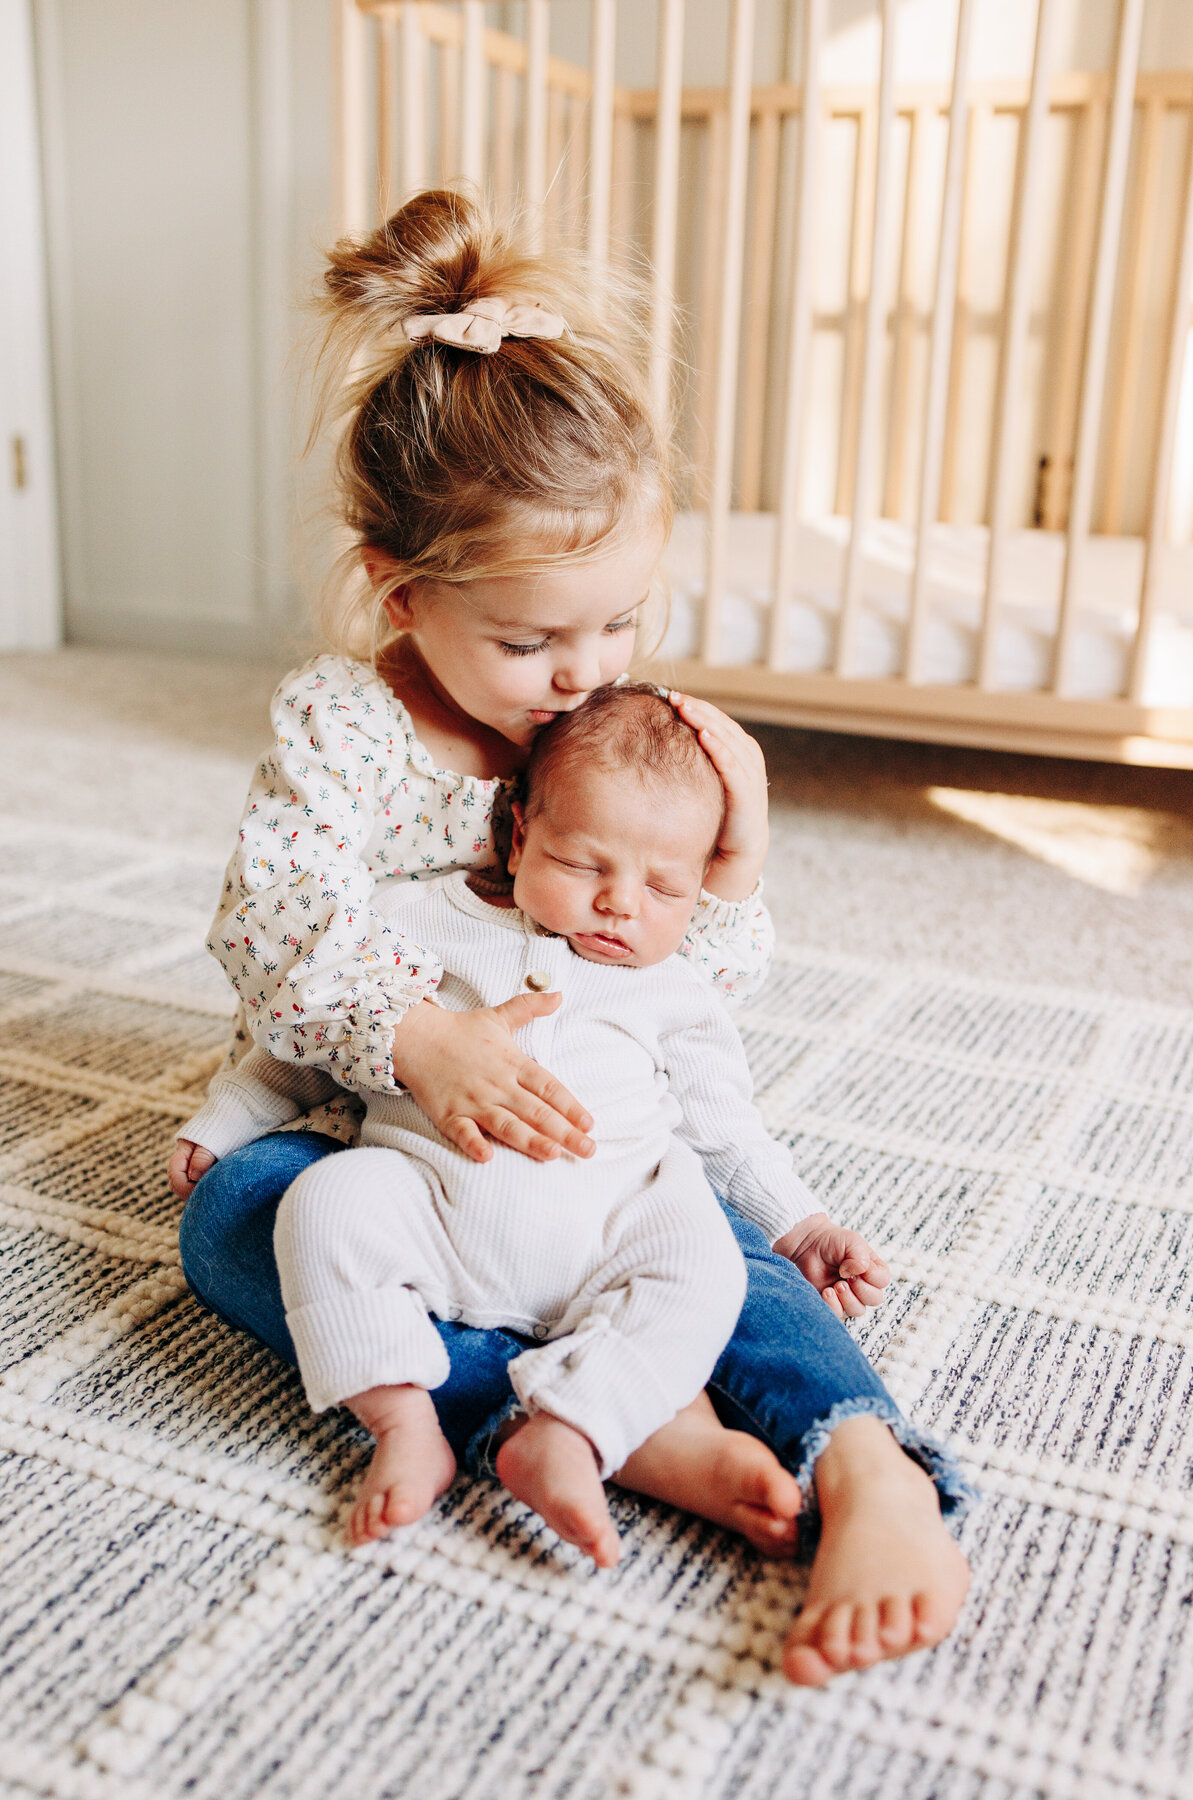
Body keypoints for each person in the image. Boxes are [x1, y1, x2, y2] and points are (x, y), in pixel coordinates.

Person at [173, 188, 971, 1686]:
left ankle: (869, 1465)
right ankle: (606, 1421)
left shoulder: (612, 725)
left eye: (619, 625)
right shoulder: (345, 727)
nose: (581, 677)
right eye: (533, 642)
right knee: (240, 1226)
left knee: (712, 1245)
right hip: (375, 1127)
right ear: (403, 594)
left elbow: (684, 992)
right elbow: (268, 922)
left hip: (586, 1145)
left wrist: (730, 865)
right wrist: (418, 1040)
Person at [177, 687, 897, 1571]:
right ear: (518, 837)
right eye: (583, 863)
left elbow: (725, 1130)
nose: (619, 905)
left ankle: (577, 1426)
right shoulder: (420, 922)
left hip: (613, 1229)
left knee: (705, 1264)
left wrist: (805, 1224)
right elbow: (314, 1047)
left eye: (664, 885)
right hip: (430, 1206)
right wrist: (223, 1121)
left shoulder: (676, 986)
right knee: (325, 1203)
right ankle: (403, 1419)